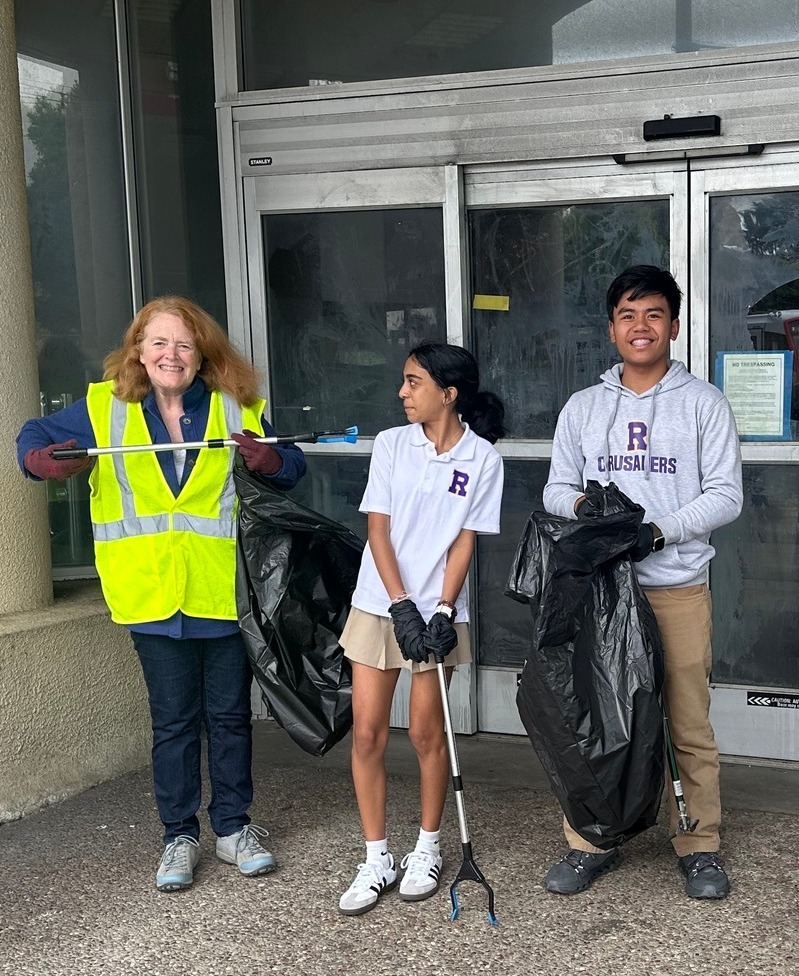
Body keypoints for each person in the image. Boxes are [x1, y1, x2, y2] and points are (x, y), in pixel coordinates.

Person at [16, 296, 306, 892]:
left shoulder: (235, 405)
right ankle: (179, 835)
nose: (171, 354)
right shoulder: (106, 408)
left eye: (183, 344)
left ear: (202, 353)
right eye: (159, 343)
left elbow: (293, 466)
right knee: (173, 722)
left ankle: (233, 828)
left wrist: (270, 459)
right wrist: (40, 462)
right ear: (138, 352)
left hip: (221, 590)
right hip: (149, 594)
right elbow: (33, 436)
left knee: (229, 717)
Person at [541, 265, 744, 901]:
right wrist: (586, 508)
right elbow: (555, 488)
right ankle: (591, 839)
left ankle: (699, 843)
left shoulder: (704, 403)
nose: (640, 326)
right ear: (611, 329)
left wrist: (657, 532)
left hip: (675, 587)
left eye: (654, 314)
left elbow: (726, 495)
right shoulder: (583, 406)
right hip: (601, 594)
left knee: (687, 723)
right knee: (599, 719)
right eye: (627, 315)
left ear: (674, 327)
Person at [337, 343, 505, 917]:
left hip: (438, 613)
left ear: (448, 393)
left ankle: (427, 848)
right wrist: (401, 604)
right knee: (367, 734)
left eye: (414, 382)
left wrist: (441, 608)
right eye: (404, 381)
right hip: (377, 604)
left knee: (428, 733)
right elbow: (378, 531)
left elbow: (464, 541)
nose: (402, 392)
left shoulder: (483, 459)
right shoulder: (391, 444)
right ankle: (376, 857)